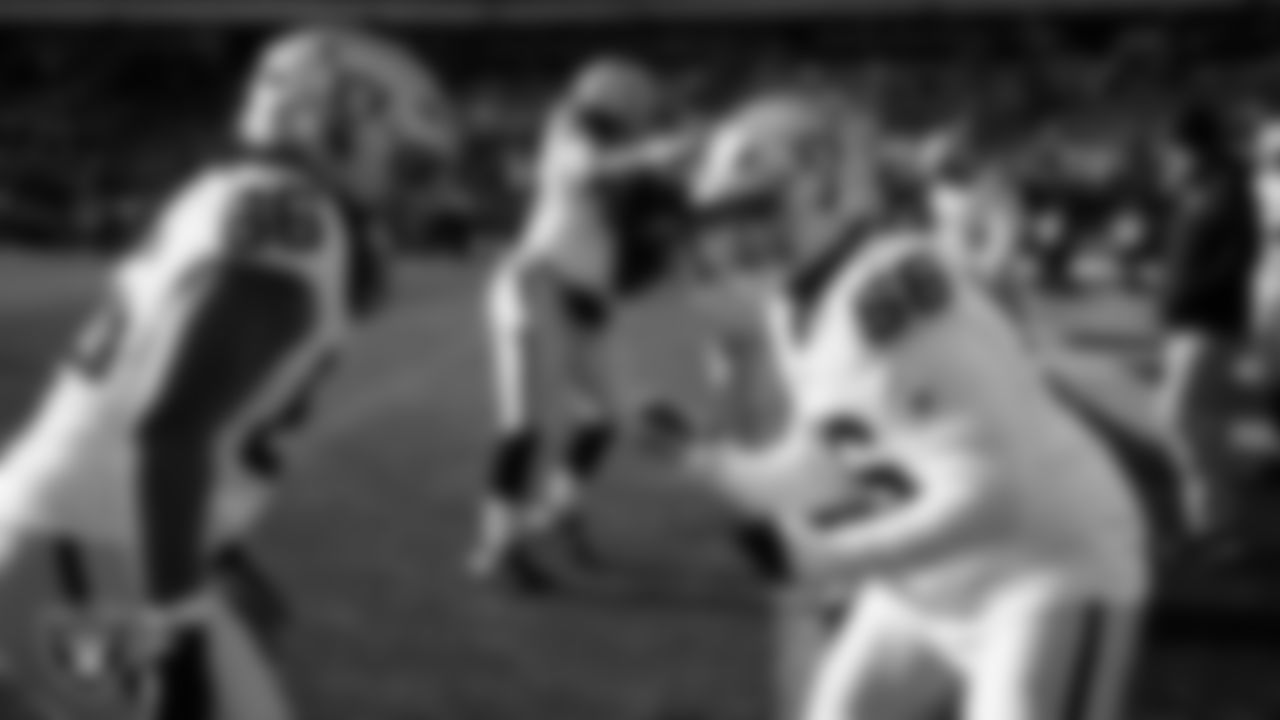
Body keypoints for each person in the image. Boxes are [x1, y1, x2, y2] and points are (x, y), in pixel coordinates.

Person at [0, 25, 454, 720]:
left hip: (84, 538)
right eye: (407, 165)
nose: (411, 194)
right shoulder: (295, 221)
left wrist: (220, 557)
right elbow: (170, 425)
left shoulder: (256, 198)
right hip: (83, 548)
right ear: (330, 124)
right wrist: (176, 625)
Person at [678, 93, 1149, 720]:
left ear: (824, 190)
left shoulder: (894, 295)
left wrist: (825, 554)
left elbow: (994, 494)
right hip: (928, 585)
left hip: (1046, 570)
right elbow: (837, 453)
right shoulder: (796, 308)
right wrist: (714, 466)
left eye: (759, 210)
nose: (739, 238)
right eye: (728, 217)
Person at [471, 55, 701, 590]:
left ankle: (557, 510)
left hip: (587, 305)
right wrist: (658, 153)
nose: (644, 119)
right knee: (524, 424)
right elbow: (595, 167)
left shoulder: (624, 161)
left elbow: (646, 228)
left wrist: (667, 223)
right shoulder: (571, 132)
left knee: (605, 419)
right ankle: (497, 543)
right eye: (638, 110)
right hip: (536, 287)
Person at [1155, 98, 1265, 545]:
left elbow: (1238, 257)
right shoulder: (1201, 185)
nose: (1169, 157)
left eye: (1174, 148)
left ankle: (1217, 524)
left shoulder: (1227, 187)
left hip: (1209, 320)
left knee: (1178, 418)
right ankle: (1212, 527)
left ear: (1193, 146)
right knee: (1203, 424)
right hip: (1190, 321)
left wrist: (1188, 298)